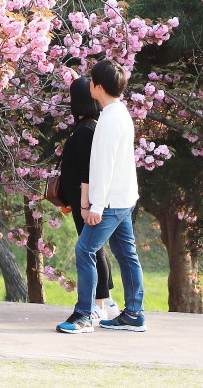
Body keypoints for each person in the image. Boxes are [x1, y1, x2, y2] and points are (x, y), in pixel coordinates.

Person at [56, 59, 146, 334]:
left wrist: (94, 205)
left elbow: (103, 166)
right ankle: (133, 313)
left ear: (98, 86)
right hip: (123, 198)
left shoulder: (108, 120)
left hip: (110, 202)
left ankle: (85, 314)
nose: (89, 83)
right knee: (126, 255)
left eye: (91, 79)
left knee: (85, 250)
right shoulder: (119, 112)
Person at [57, 76, 117, 324]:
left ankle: (99, 304)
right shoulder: (90, 127)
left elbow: (86, 173)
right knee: (96, 249)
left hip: (87, 203)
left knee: (91, 250)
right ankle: (107, 301)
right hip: (85, 201)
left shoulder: (86, 131)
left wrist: (84, 205)